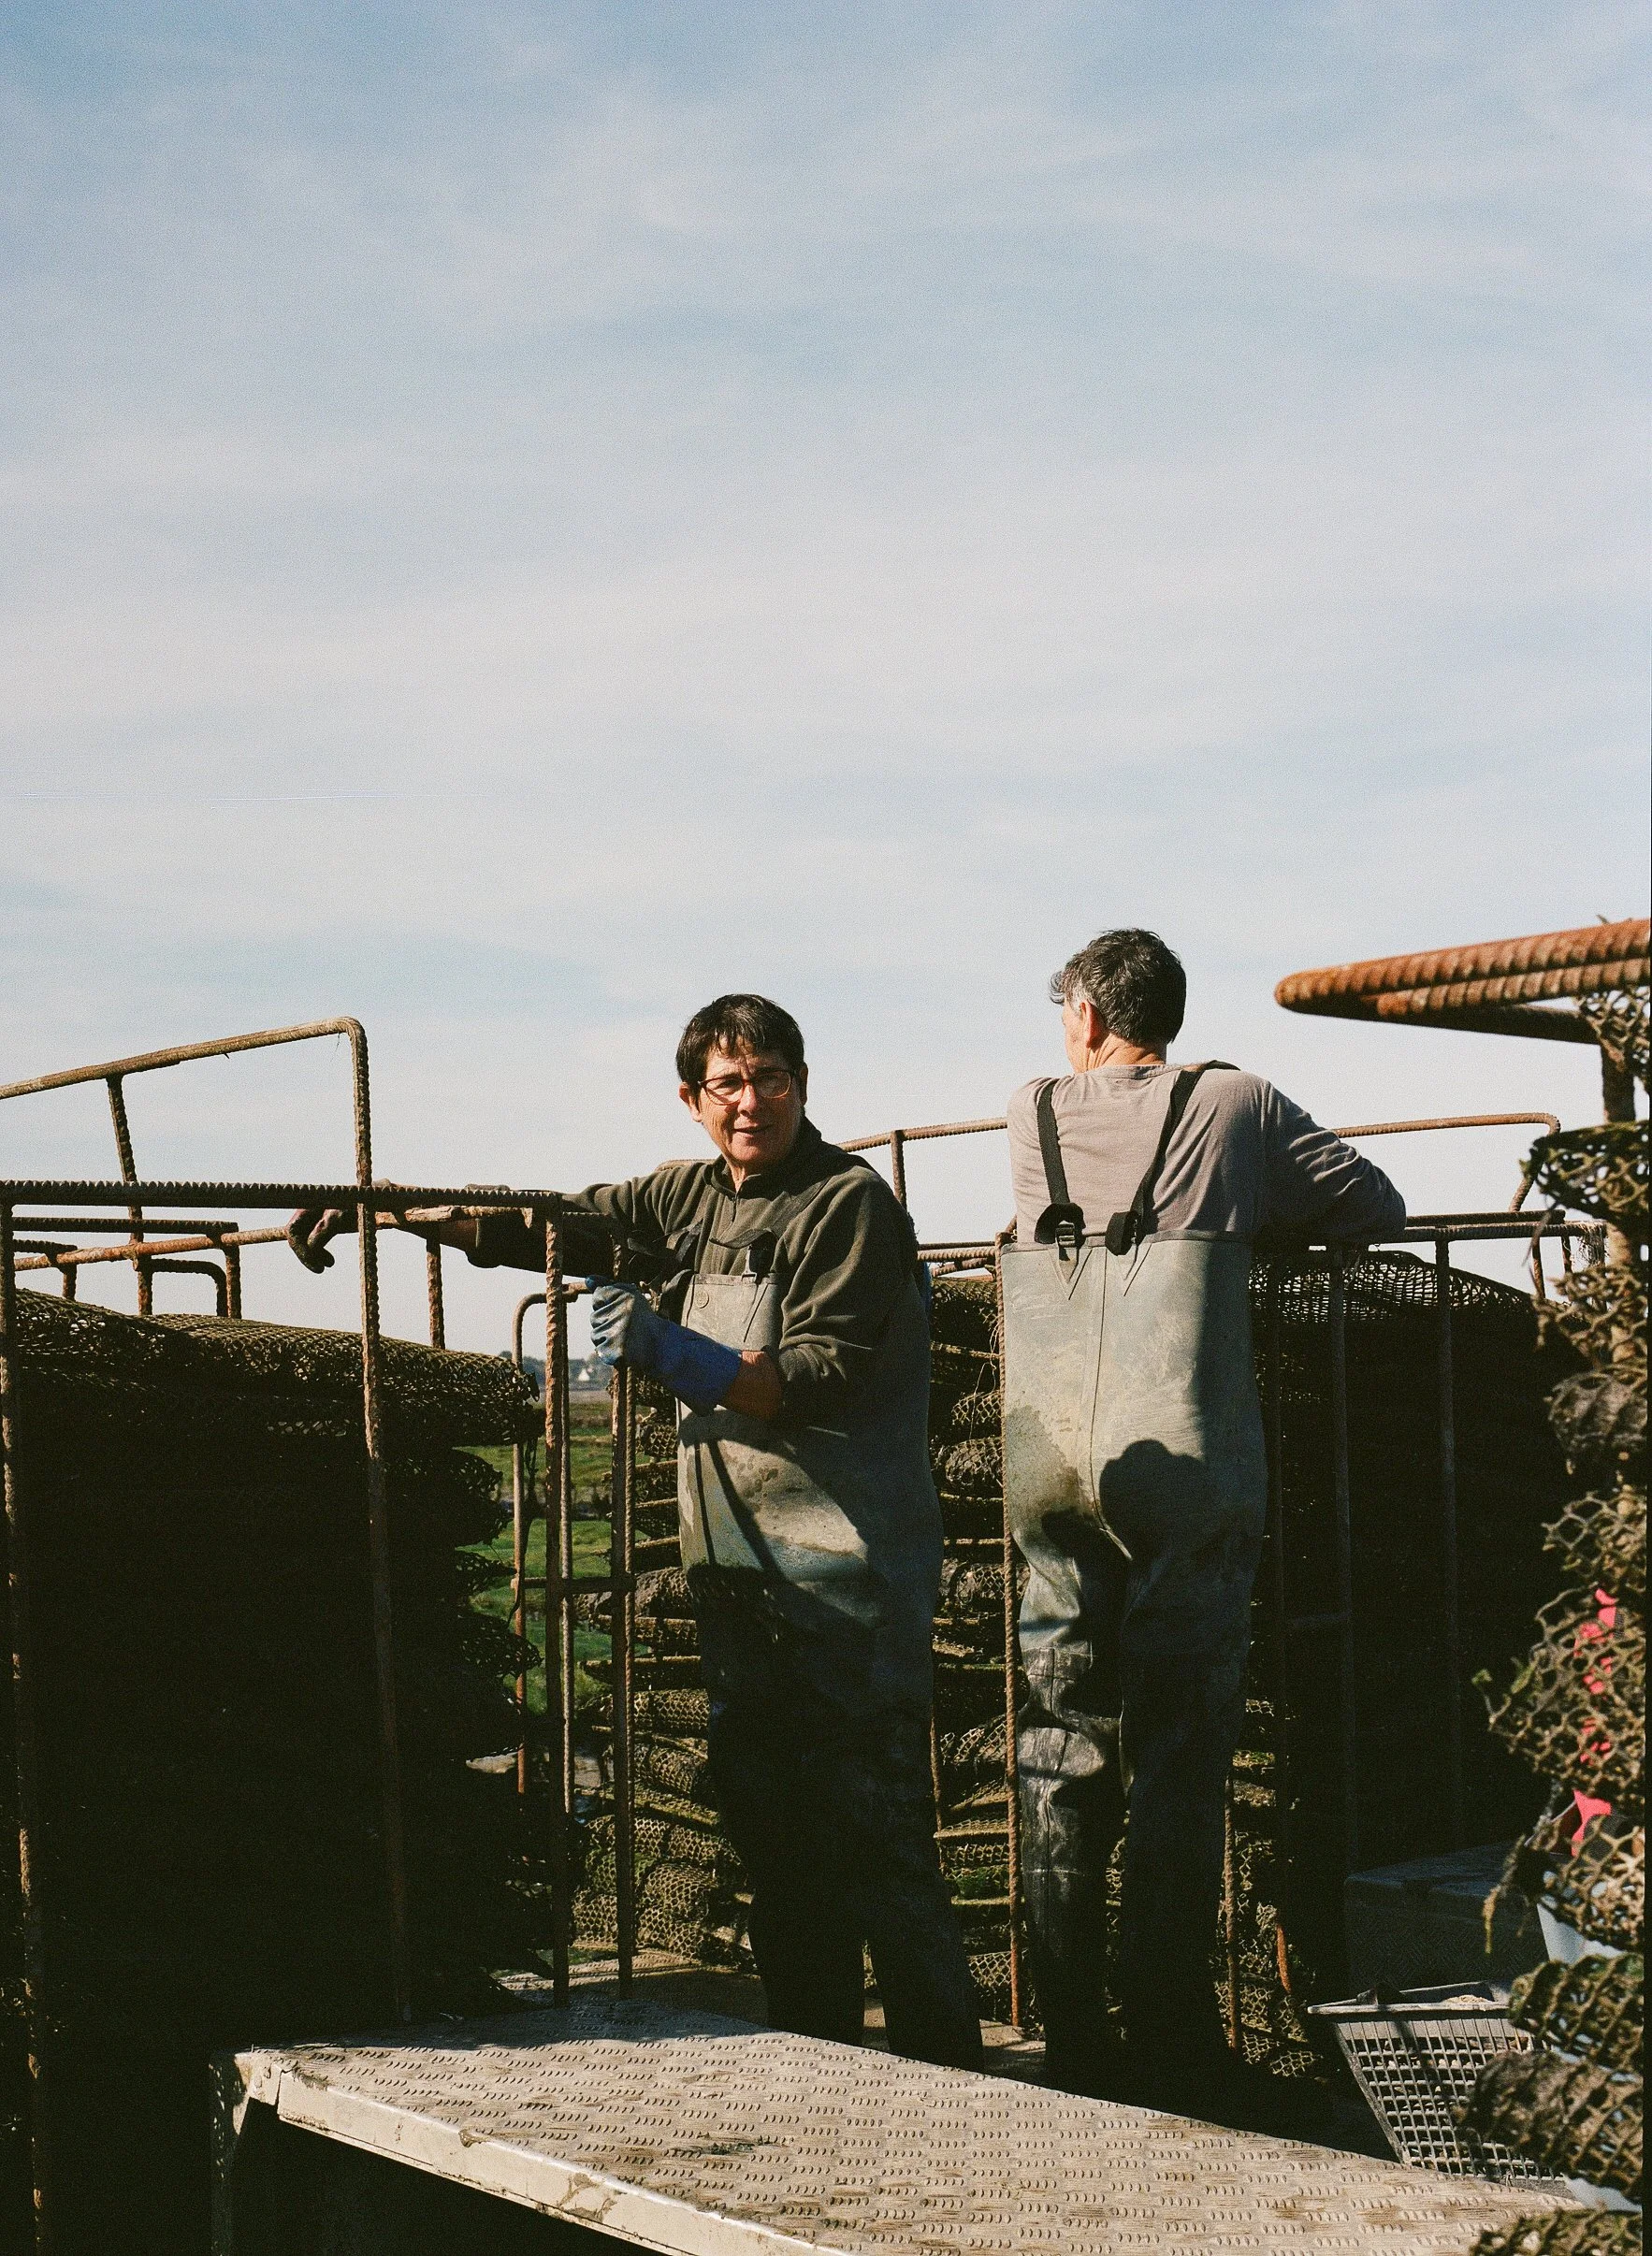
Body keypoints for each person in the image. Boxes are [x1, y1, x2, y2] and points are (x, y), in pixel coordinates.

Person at [289, 993, 981, 2072]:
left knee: (873, 1832)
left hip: (850, 1574)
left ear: (804, 1081)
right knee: (773, 1833)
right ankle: (827, 2066)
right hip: (739, 1573)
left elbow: (821, 1374)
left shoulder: (844, 1206)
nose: (751, 1104)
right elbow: (546, 1227)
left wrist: (678, 1357)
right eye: (727, 1085)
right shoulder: (685, 1197)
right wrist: (386, 1206)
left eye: (771, 1080)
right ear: (692, 1100)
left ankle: (949, 2075)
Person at [1000, 927, 1404, 2118]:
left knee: (1059, 1741)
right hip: (1181, 1461)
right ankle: (1170, 2037)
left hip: (1048, 1463)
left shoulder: (1028, 1113)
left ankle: (1069, 2034)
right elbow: (1373, 1208)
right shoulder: (1236, 1101)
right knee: (1175, 1753)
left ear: (1081, 1016)